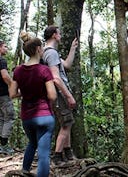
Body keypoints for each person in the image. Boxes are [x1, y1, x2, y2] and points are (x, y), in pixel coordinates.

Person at [9, 31, 57, 177]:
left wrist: (26, 92)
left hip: (27, 117)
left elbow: (12, 94)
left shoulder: (18, 71)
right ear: (37, 49)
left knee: (32, 143)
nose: (42, 50)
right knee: (43, 154)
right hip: (44, 116)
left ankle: (24, 171)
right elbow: (52, 96)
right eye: (41, 48)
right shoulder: (44, 70)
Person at [42, 25, 78, 165]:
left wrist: (73, 48)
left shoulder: (48, 52)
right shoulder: (51, 53)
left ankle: (68, 153)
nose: (61, 35)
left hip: (56, 93)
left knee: (67, 122)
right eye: (59, 33)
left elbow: (67, 65)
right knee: (67, 123)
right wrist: (68, 96)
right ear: (54, 35)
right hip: (59, 93)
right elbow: (56, 78)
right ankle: (57, 157)